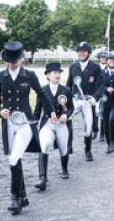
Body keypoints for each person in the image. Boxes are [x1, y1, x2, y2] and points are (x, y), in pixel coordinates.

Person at [0, 41, 57, 215]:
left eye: (15, 60)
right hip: (8, 123)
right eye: (9, 60)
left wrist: (51, 112)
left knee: (13, 158)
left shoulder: (29, 75)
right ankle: (24, 197)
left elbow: (42, 94)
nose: (12, 63)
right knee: (15, 158)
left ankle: (14, 197)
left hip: (25, 123)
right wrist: (0, 111)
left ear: (22, 59)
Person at [34, 63, 74, 191]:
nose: (57, 75)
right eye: (54, 73)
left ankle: (64, 169)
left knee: (63, 149)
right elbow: (37, 110)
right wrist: (33, 125)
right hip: (47, 123)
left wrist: (66, 115)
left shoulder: (66, 90)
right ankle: (42, 178)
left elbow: (71, 107)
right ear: (47, 75)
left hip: (61, 124)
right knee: (44, 146)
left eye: (59, 72)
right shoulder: (42, 90)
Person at [66, 42, 104, 161]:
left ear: (89, 53)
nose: (81, 53)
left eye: (84, 51)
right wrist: (66, 97)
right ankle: (69, 145)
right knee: (67, 118)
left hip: (88, 100)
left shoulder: (95, 67)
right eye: (79, 51)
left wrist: (95, 97)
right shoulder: (73, 67)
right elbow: (69, 84)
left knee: (88, 129)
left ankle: (87, 150)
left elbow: (101, 85)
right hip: (75, 100)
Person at [96, 50, 108, 141]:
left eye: (105, 57)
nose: (103, 59)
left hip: (105, 93)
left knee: (103, 113)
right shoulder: (95, 68)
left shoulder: (109, 68)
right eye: (102, 57)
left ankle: (102, 133)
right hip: (96, 92)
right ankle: (95, 130)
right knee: (95, 112)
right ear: (99, 58)